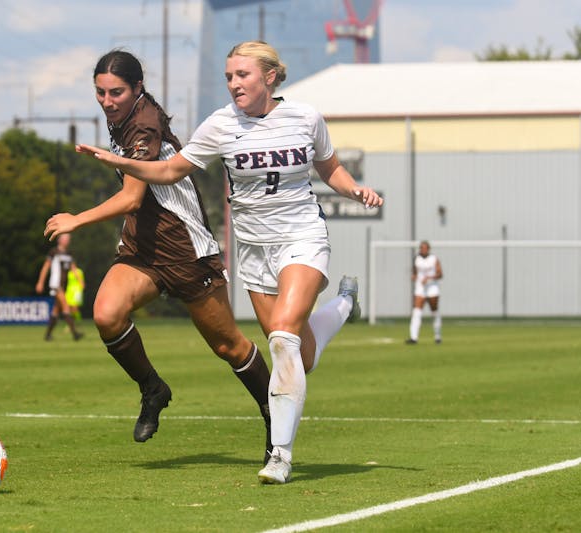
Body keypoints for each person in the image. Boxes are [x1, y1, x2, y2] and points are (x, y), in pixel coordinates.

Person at [69, 41, 384, 484]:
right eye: (229, 77)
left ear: (270, 76)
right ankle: (344, 308)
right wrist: (116, 160)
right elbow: (171, 170)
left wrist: (354, 189)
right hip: (252, 248)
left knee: (279, 337)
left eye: (243, 75)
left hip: (292, 239)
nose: (235, 84)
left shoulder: (306, 117)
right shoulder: (220, 124)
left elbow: (329, 167)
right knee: (300, 354)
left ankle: (280, 453)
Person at [43, 50, 274, 462]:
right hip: (142, 245)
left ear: (137, 89)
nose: (107, 100)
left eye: (116, 92)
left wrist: (77, 220)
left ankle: (276, 415)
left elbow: (132, 198)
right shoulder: (120, 117)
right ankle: (153, 389)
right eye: (100, 92)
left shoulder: (144, 126)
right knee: (106, 315)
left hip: (184, 247)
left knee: (229, 347)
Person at [35, 233, 83, 341]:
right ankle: (75, 333)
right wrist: (40, 282)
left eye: (68, 239)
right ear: (59, 240)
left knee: (56, 311)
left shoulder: (69, 254)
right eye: (66, 239)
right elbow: (45, 267)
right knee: (65, 307)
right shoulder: (54, 252)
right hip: (55, 284)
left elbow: (73, 268)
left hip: (63, 286)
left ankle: (47, 335)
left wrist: (80, 281)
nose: (67, 241)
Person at [406, 241, 443, 344]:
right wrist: (413, 276)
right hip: (420, 288)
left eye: (425, 248)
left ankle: (437, 336)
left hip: (432, 288)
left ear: (428, 249)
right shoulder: (416, 259)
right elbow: (414, 272)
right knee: (416, 312)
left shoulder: (434, 259)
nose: (423, 250)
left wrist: (430, 278)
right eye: (421, 248)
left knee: (434, 311)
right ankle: (413, 337)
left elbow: (440, 274)